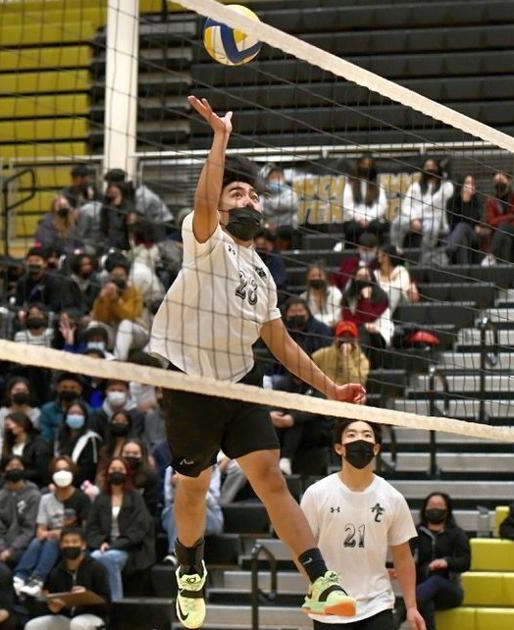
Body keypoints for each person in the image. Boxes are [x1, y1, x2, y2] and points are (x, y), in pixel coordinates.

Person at [146, 95, 367, 627]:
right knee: (192, 488)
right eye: (235, 193)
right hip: (191, 381)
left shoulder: (264, 274)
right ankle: (191, 569)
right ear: (221, 208)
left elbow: (282, 344)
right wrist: (220, 141)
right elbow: (204, 199)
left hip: (239, 383)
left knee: (270, 476)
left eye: (251, 194)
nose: (245, 199)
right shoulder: (205, 240)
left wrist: (330, 391)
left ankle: (319, 578)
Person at [300, 420, 423, 630]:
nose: (360, 440)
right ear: (339, 448)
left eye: (367, 435)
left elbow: (403, 556)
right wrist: (320, 587)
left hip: (377, 603)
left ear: (376, 448)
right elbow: (301, 548)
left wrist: (411, 606)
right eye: (352, 435)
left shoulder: (392, 497)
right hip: (330, 608)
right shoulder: (317, 493)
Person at [14, 457, 92, 597]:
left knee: (50, 542)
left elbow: (85, 529)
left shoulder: (82, 498)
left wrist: (55, 533)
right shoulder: (45, 499)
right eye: (58, 470)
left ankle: (38, 580)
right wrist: (48, 533)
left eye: (66, 470)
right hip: (48, 540)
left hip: (71, 542)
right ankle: (20, 577)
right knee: (37, 541)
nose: (62, 473)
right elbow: (40, 530)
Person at [86, 457, 155, 599]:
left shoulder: (135, 497)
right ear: (107, 473)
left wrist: (115, 545)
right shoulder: (101, 498)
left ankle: (116, 602)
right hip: (104, 547)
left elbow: (139, 528)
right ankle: (94, 601)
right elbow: (92, 527)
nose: (116, 472)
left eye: (120, 469)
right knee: (93, 558)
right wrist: (101, 542)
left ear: (127, 473)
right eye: (113, 469)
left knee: (109, 558)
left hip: (130, 548)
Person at [24, 528, 111, 630]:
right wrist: (53, 608)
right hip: (67, 618)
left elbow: (107, 604)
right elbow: (52, 600)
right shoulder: (56, 571)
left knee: (77, 624)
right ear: (61, 545)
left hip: (94, 618)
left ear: (83, 545)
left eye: (74, 542)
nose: (70, 545)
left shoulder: (97, 568)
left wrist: (86, 596)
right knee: (33, 626)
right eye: (66, 542)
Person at [412, 493, 469, 630]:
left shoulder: (457, 533)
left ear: (447, 509)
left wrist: (447, 562)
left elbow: (466, 562)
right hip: (423, 589)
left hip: (450, 590)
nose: (435, 509)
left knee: (436, 580)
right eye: (431, 506)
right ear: (425, 509)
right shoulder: (416, 532)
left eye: (439, 506)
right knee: (427, 604)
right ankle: (412, 603)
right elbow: (406, 557)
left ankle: (402, 611)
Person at [161, 464, 223, 567]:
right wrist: (174, 487)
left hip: (210, 514)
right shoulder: (171, 468)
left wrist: (192, 487)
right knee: (176, 508)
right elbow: (168, 499)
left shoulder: (211, 467)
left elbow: (214, 498)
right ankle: (175, 552)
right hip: (176, 512)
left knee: (191, 509)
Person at [0, 455, 41, 568]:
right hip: (1, 546)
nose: (15, 469)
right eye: (11, 466)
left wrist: (11, 549)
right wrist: (1, 548)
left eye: (18, 466)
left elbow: (29, 529)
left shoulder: (34, 495)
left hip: (23, 545)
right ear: (3, 472)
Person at [392, 159, 452, 251]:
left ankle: (425, 255)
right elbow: (406, 205)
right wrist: (413, 219)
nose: (430, 169)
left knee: (431, 229)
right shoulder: (415, 186)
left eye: (433, 167)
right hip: (412, 218)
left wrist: (442, 175)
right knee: (397, 223)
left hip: (432, 219)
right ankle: (396, 250)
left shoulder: (445, 187)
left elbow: (450, 191)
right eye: (427, 167)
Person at [341, 155, 389, 249]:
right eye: (364, 164)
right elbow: (348, 205)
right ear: (358, 165)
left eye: (369, 165)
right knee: (352, 229)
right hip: (354, 219)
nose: (366, 167)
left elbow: (382, 205)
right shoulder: (350, 184)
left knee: (377, 227)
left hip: (373, 218)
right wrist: (360, 219)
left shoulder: (378, 185)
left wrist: (368, 218)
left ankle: (377, 253)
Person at [0, 377, 41, 455]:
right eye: (17, 390)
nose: (21, 393)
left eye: (24, 391)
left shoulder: (36, 414)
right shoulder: (0, 414)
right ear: (9, 394)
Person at [311, 322, 371, 388]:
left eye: (350, 336)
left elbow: (357, 383)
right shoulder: (324, 353)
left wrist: (346, 357)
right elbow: (308, 364)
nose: (346, 339)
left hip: (352, 396)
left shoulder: (362, 359)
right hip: (327, 395)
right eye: (342, 336)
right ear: (335, 338)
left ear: (356, 340)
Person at [444, 175, 486, 265]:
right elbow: (451, 223)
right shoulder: (451, 202)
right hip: (457, 235)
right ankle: (464, 270)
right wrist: (463, 202)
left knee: (462, 226)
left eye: (472, 184)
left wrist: (466, 202)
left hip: (473, 235)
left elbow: (476, 221)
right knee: (462, 239)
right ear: (461, 185)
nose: (470, 186)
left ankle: (449, 249)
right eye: (467, 183)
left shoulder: (477, 202)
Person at [262, 165, 300, 249]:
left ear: (283, 178)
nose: (276, 179)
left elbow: (291, 204)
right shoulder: (263, 194)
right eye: (273, 177)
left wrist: (271, 203)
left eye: (278, 177)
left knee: (286, 231)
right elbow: (261, 209)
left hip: (287, 226)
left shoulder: (290, 192)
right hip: (268, 227)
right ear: (268, 179)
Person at [374, 245, 418, 312]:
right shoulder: (375, 273)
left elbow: (400, 288)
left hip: (399, 303)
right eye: (379, 254)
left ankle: (384, 315)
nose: (380, 256)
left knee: (395, 291)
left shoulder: (401, 270)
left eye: (384, 255)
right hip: (379, 302)